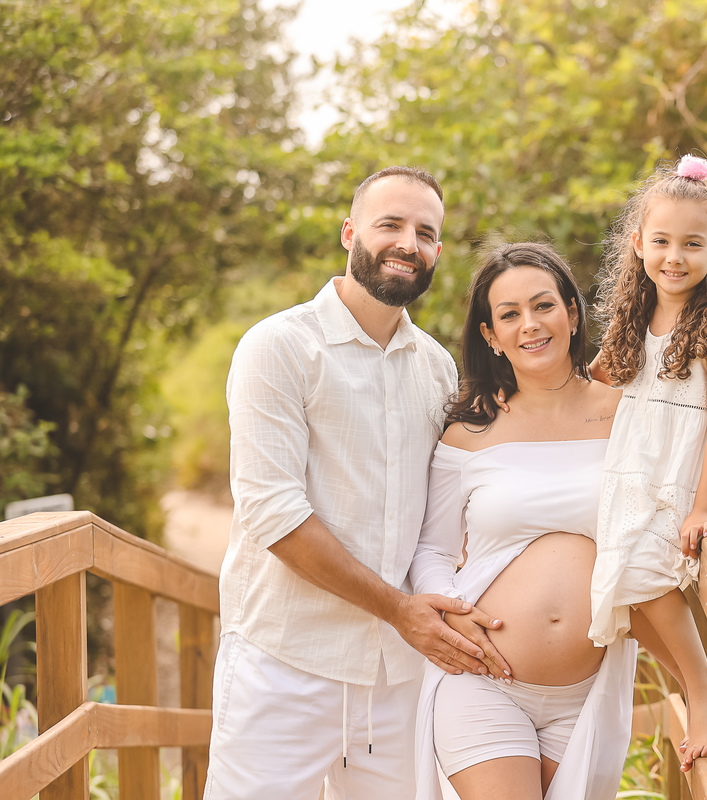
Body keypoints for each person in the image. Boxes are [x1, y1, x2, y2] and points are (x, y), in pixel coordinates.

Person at [409, 242, 707, 800]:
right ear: (490, 335)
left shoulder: (629, 409)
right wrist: (449, 614)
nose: (530, 325)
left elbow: (696, 476)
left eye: (543, 306)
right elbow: (433, 551)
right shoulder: (468, 433)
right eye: (509, 314)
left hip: (587, 693)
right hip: (481, 680)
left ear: (572, 313)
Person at [205, 166, 503, 800]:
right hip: (284, 663)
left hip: (395, 678)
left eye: (425, 233)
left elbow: (459, 502)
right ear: (350, 232)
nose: (407, 243)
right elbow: (274, 515)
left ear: (437, 253)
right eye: (389, 224)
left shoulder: (437, 368)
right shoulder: (278, 348)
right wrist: (401, 612)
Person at [588, 155, 707, 771]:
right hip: (641, 463)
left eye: (692, 245)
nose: (675, 257)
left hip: (692, 466)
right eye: (663, 241)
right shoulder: (634, 315)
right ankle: (704, 684)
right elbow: (602, 382)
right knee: (623, 583)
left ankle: (701, 686)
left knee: (645, 573)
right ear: (639, 243)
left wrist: (703, 506)